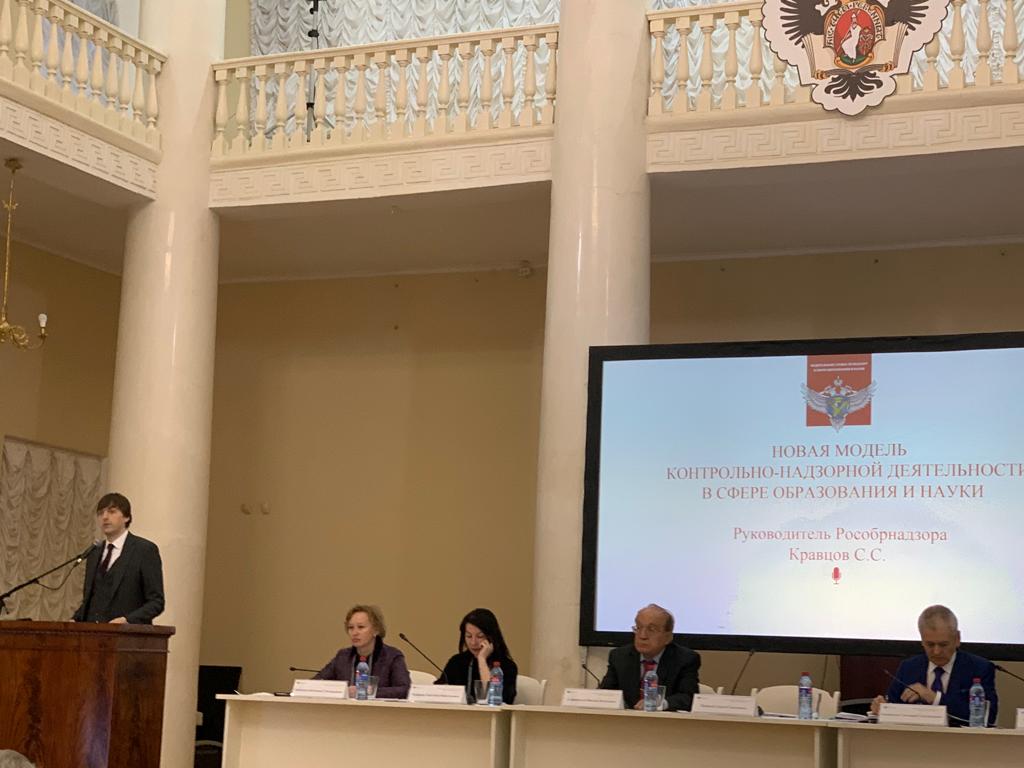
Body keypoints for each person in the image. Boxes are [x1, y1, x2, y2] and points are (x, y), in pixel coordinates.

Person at [871, 605, 998, 726]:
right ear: (922, 640)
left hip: (961, 740)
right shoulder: (909, 667)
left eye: (943, 645)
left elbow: (987, 717)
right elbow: (893, 706)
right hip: (914, 738)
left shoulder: (979, 668)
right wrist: (883, 708)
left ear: (957, 639)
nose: (936, 651)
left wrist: (935, 698)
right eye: (930, 645)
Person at [72, 493, 164, 624]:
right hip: (93, 633)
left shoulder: (144, 550)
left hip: (127, 634)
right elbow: (92, 600)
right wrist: (75, 619)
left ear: (126, 517)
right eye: (100, 513)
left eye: (112, 512)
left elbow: (156, 602)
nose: (105, 517)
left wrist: (127, 620)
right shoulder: (94, 553)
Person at [599, 603, 700, 711]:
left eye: (651, 629)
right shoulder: (619, 656)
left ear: (668, 637)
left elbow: (689, 698)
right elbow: (605, 693)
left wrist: (660, 703)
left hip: (664, 720)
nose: (642, 636)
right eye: (638, 628)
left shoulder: (685, 659)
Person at [314, 604, 411, 698]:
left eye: (361, 627)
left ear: (376, 630)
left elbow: (404, 690)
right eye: (351, 628)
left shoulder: (392, 656)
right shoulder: (343, 656)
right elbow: (316, 683)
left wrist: (367, 692)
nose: (355, 633)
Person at [436, 608, 518, 704]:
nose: (473, 642)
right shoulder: (456, 662)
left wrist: (482, 660)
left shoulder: (507, 666)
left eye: (480, 636)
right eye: (469, 636)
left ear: (492, 637)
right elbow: (438, 693)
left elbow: (497, 700)